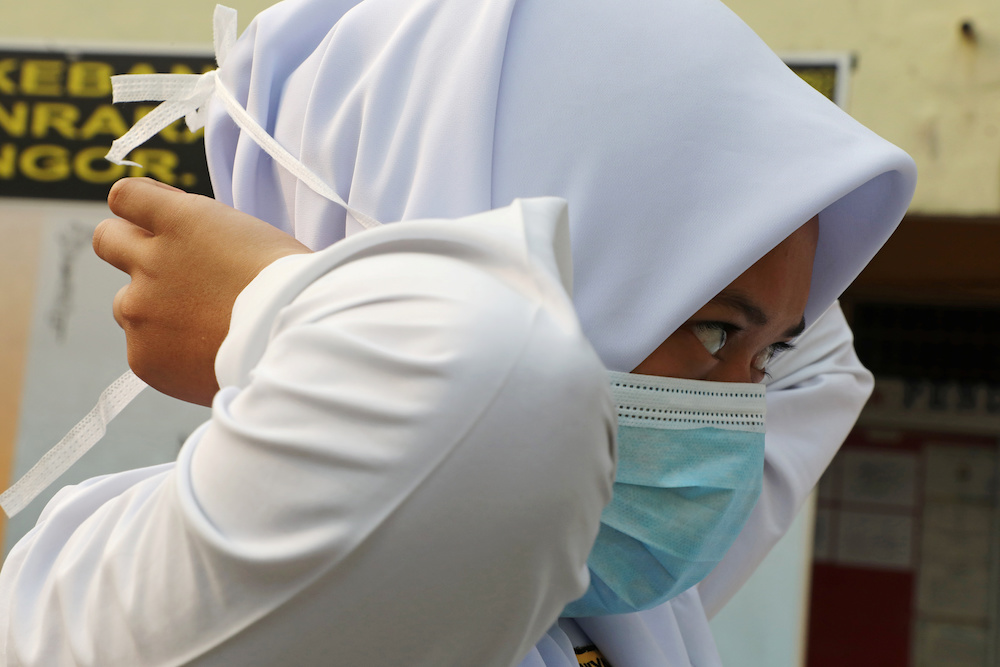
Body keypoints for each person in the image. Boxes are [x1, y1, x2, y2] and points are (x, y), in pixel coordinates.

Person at [0, 0, 917, 666]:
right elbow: (490, 385)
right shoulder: (142, 592)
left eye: (764, 355)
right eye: (713, 335)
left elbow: (816, 362)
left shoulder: (597, 601)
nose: (735, 415)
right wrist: (284, 301)